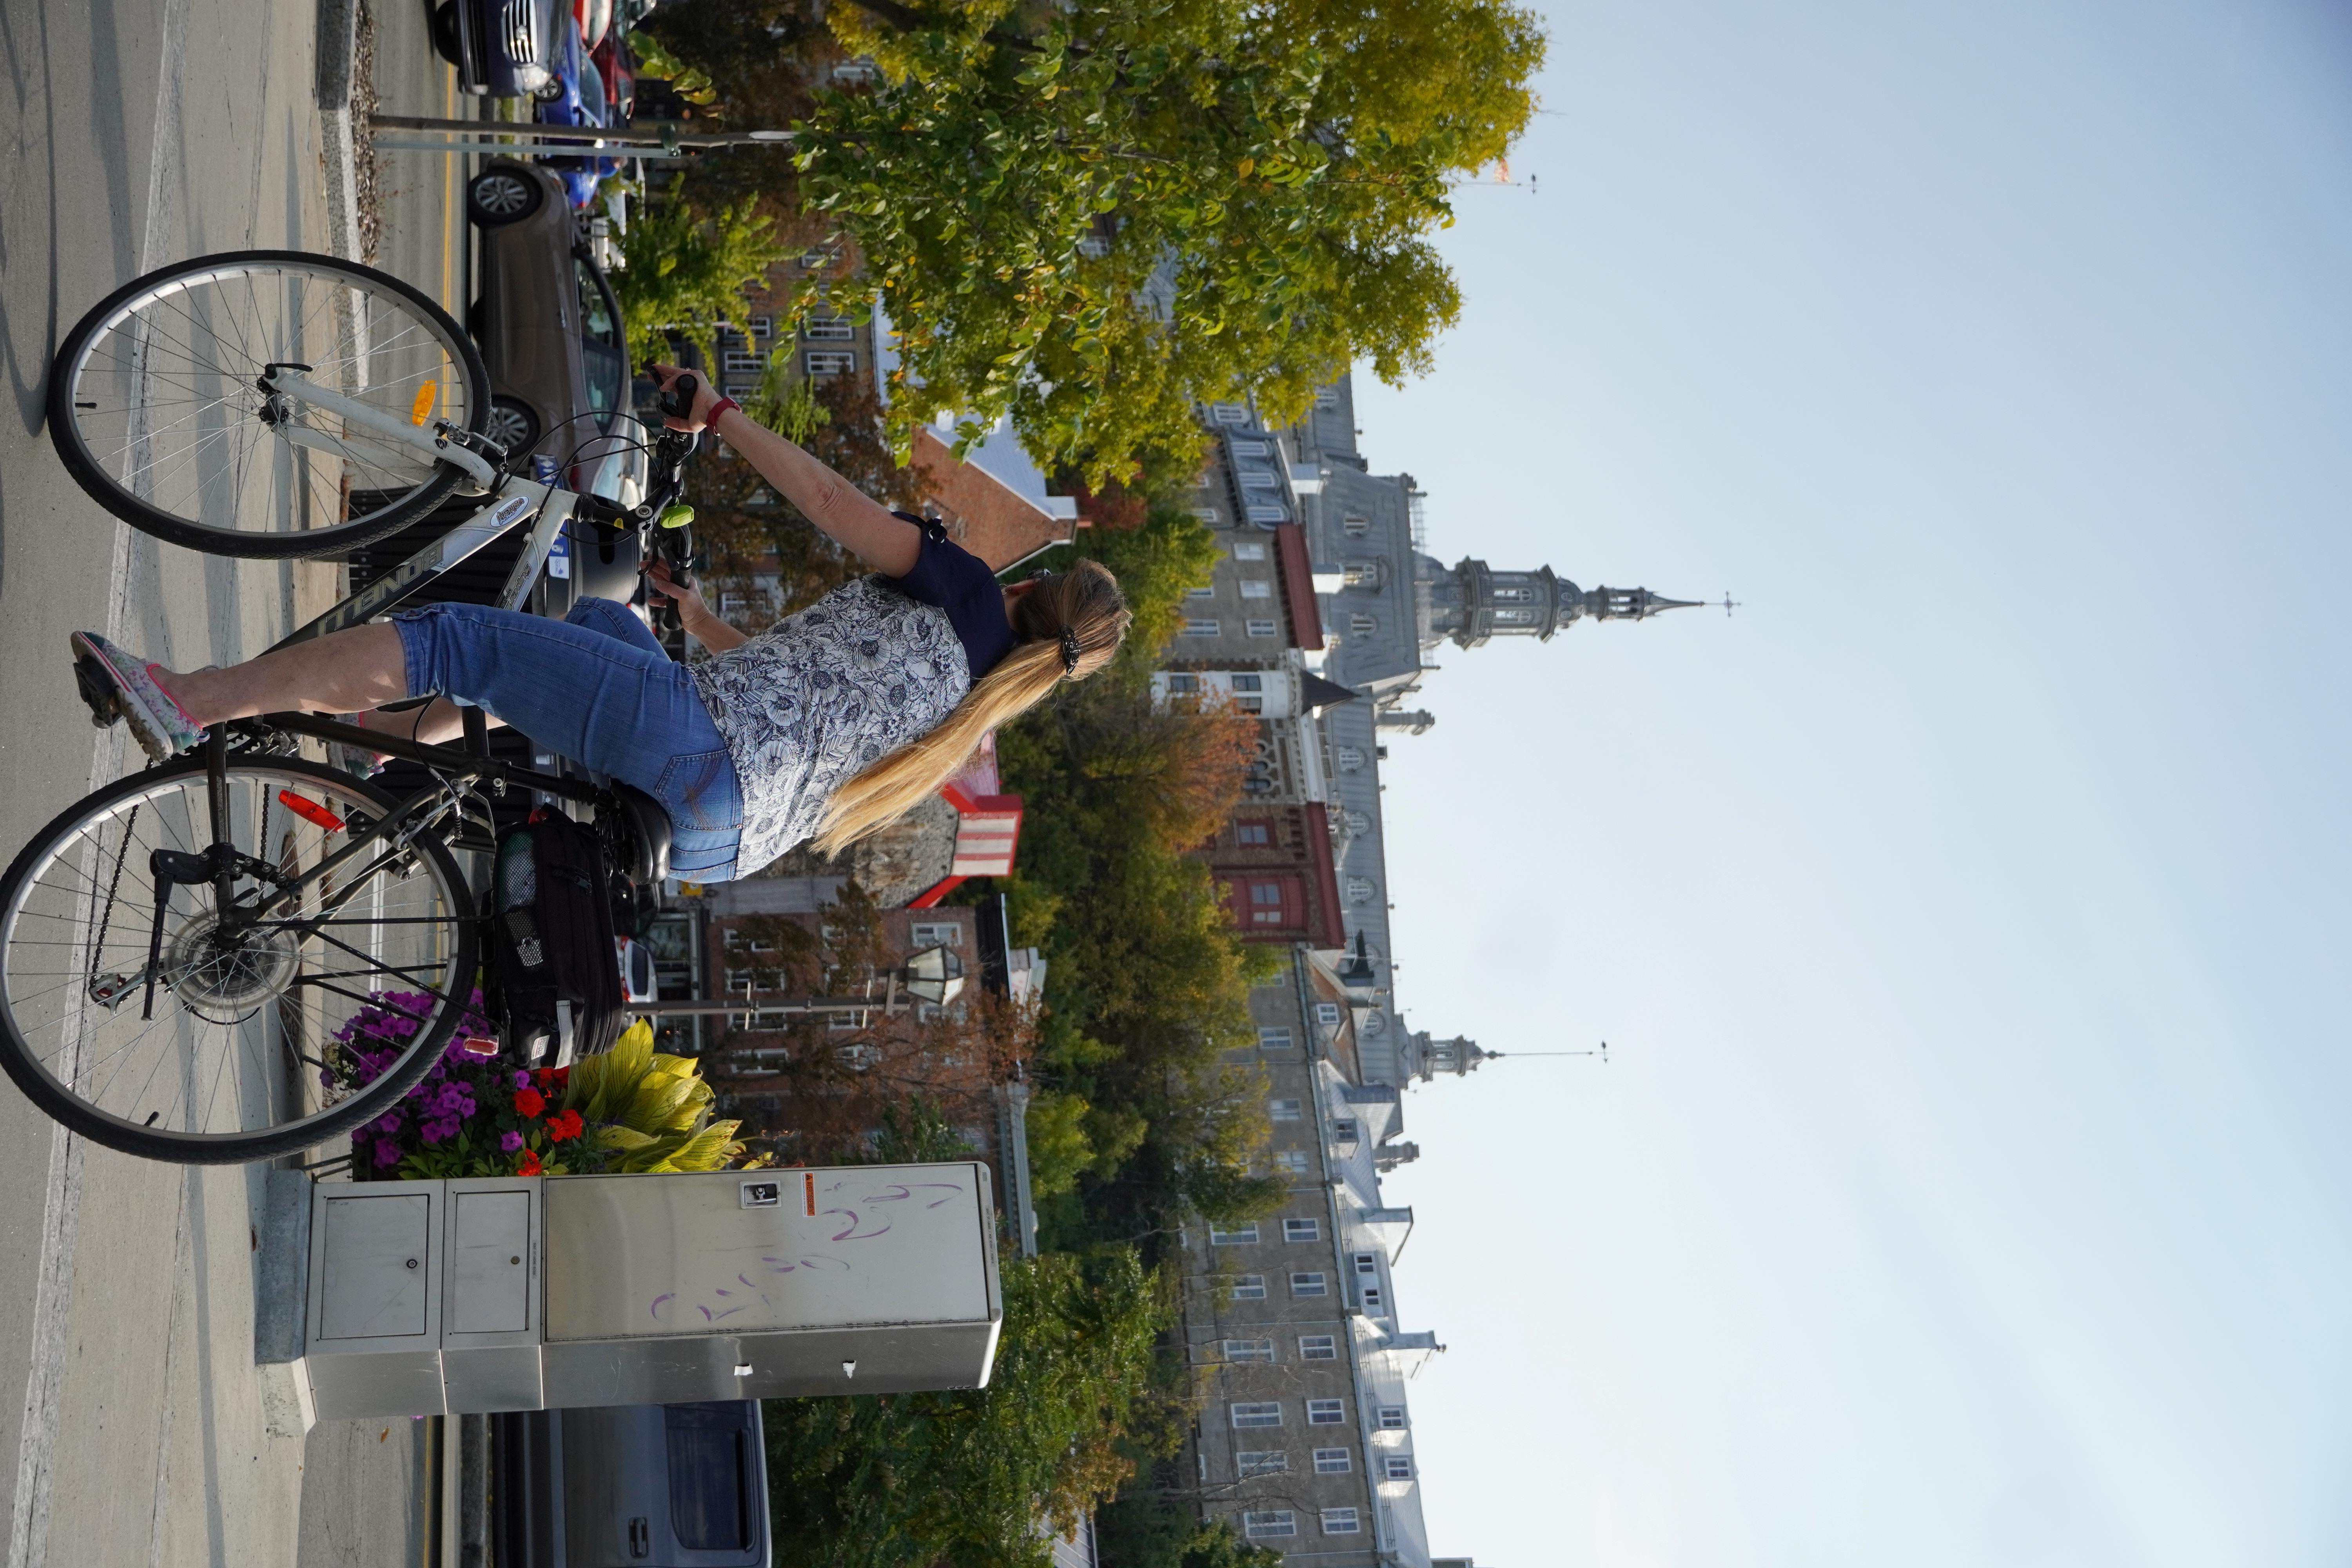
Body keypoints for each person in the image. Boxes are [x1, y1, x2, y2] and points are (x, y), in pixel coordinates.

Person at [65, 367, 1130, 882]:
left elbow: (831, 506)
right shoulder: (972, 715)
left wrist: (719, 415)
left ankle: (188, 701)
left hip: (698, 750)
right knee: (601, 623)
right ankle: (372, 758)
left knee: (459, 639)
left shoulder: (970, 590)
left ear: (1038, 592)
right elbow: (802, 708)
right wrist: (700, 619)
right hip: (724, 843)